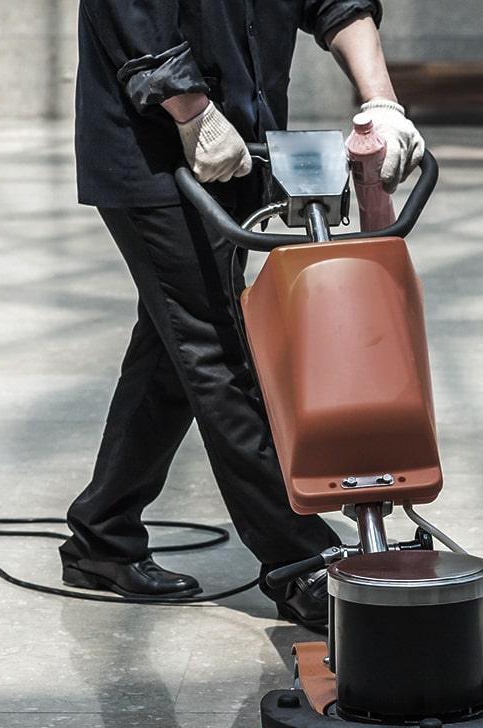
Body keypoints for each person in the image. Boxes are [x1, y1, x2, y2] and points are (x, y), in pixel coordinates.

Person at [65, 0, 425, 632]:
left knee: (175, 344)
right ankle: (299, 561)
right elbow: (129, 14)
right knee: (218, 347)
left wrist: (382, 104)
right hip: (154, 153)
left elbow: (335, 3)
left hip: (241, 144)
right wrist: (193, 110)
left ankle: (103, 531)